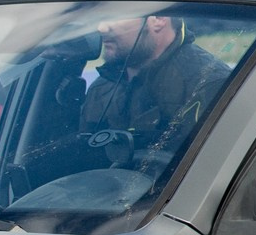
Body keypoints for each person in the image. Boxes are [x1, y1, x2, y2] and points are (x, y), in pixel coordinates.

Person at [80, 12, 230, 171]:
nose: (101, 27)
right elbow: (82, 159)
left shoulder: (209, 85)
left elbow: (215, 175)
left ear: (158, 19)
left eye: (116, 15)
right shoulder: (102, 86)